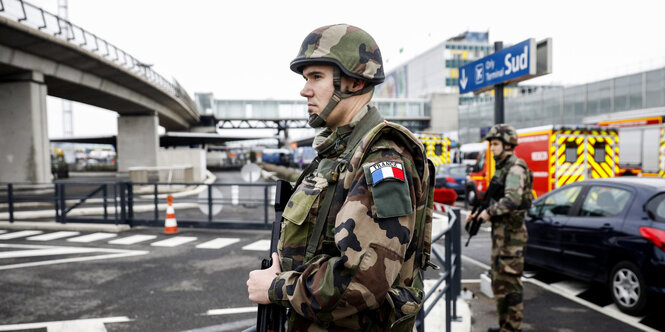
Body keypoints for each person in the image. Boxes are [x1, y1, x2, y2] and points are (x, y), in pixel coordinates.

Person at [246, 24, 434, 331]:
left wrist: (277, 288)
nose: (304, 90)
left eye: (316, 77)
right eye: (306, 78)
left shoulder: (382, 159)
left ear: (356, 82)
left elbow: (362, 282)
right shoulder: (340, 153)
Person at [466, 124, 533, 332]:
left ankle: (512, 328)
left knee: (510, 285)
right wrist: (478, 212)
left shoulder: (514, 168)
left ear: (507, 145)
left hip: (511, 239)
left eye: (495, 144)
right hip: (502, 237)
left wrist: (488, 213)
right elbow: (493, 199)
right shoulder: (503, 167)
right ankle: (505, 326)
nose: (492, 148)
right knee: (499, 283)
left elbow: (512, 200)